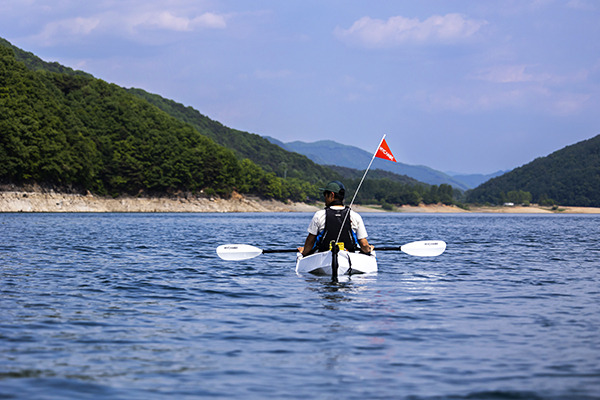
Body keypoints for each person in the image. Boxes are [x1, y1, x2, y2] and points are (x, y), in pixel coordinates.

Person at [298, 180, 374, 257]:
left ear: (331, 195)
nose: (324, 198)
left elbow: (310, 240)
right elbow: (363, 244)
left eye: (325, 194)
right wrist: (368, 249)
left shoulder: (319, 215)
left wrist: (304, 252)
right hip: (349, 255)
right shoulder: (355, 216)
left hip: (323, 256)